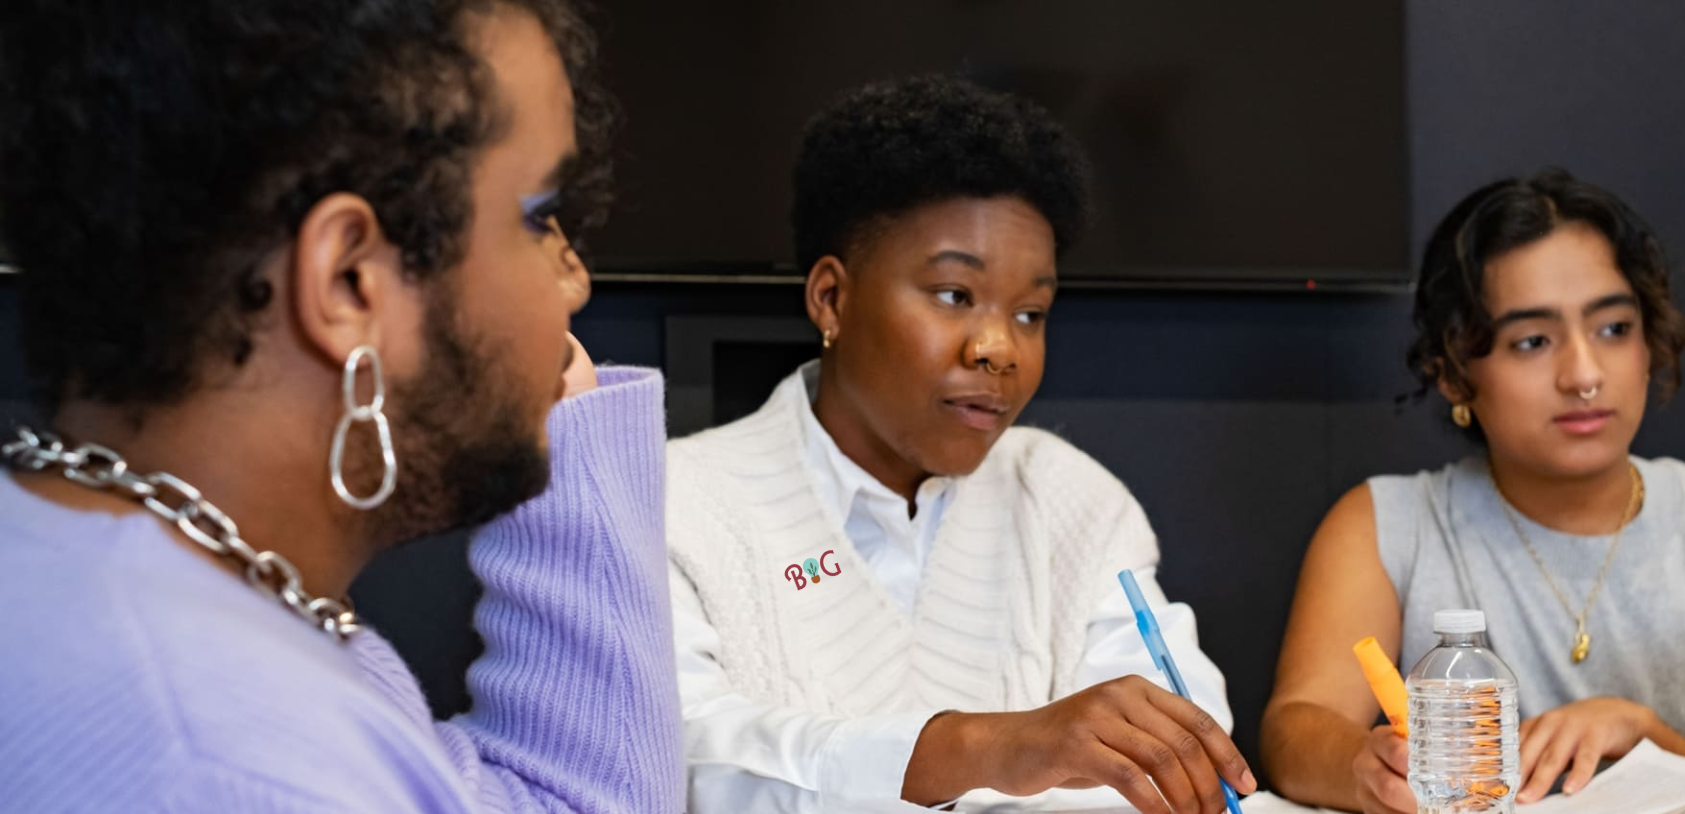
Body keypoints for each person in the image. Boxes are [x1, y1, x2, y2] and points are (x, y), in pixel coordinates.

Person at [0, 1, 683, 811]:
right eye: (536, 219)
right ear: (348, 282)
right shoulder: (227, 762)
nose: (573, 282)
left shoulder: (181, 597)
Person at [662, 75, 1256, 814]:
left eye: (1032, 313)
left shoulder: (1068, 499)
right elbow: (684, 758)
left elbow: (1169, 753)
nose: (998, 348)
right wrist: (989, 749)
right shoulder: (681, 502)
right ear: (832, 299)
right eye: (954, 296)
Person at [1259, 169, 1685, 813]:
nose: (1585, 374)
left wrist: (1648, 739)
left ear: (1651, 343)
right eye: (1533, 341)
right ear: (1451, 372)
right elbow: (1298, 727)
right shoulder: (1386, 524)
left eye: (1614, 328)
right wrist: (1364, 768)